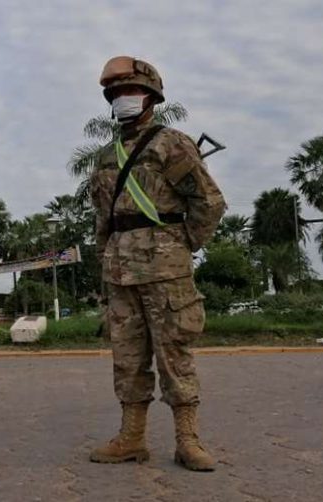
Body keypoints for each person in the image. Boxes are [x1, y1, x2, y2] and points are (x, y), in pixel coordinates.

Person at [87, 56, 226, 470]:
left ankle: (188, 440)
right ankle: (132, 439)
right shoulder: (105, 157)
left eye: (130, 91)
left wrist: (181, 243)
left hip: (167, 270)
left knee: (174, 353)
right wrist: (105, 259)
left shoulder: (172, 143)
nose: (122, 99)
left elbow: (209, 203)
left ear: (151, 97)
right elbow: (103, 220)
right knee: (127, 357)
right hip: (120, 270)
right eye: (116, 94)